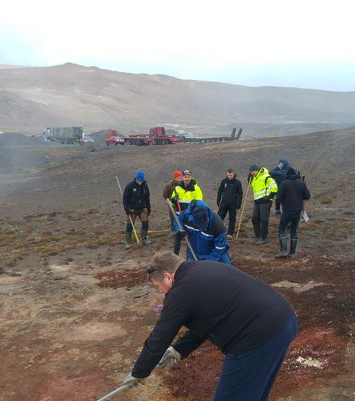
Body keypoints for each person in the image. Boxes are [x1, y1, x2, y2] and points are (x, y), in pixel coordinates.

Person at [124, 251, 297, 401]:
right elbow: (210, 320)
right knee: (253, 394)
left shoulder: (180, 292)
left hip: (257, 337)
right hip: (284, 321)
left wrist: (139, 373)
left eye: (158, 286)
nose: (161, 292)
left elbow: (159, 338)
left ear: (167, 276)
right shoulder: (202, 268)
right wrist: (179, 350)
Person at [174, 200, 231, 264]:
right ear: (193, 218)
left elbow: (219, 248)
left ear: (208, 218)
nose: (201, 228)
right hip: (193, 251)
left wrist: (209, 261)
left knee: (227, 269)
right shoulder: (185, 216)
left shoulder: (218, 225)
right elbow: (177, 222)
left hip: (213, 251)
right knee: (191, 270)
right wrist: (178, 230)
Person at [274, 168, 311, 258]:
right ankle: (292, 253)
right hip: (298, 211)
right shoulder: (301, 183)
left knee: (282, 230)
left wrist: (277, 209)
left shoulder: (284, 183)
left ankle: (283, 251)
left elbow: (278, 198)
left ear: (287, 174)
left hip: (287, 211)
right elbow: (307, 196)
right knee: (293, 231)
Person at [171, 169, 203, 255]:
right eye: (185, 177)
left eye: (188, 177)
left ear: (191, 177)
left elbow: (199, 202)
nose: (187, 179)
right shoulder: (177, 188)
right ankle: (175, 255)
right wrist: (173, 200)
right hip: (180, 217)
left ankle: (192, 255)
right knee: (178, 235)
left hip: (191, 216)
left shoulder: (196, 188)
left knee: (191, 237)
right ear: (182, 178)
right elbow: (172, 202)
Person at [248, 164, 277, 244]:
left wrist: (270, 196)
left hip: (265, 201)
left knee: (264, 219)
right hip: (257, 201)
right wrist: (249, 180)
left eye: (252, 172)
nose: (251, 173)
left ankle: (263, 237)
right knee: (254, 218)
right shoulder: (254, 178)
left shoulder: (266, 177)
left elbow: (274, 187)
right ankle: (257, 235)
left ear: (256, 170)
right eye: (250, 172)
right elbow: (252, 186)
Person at [123, 170, 151, 248]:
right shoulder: (130, 186)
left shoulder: (145, 185)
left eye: (141, 180)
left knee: (145, 223)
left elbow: (147, 198)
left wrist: (148, 208)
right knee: (130, 225)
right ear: (136, 179)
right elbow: (125, 199)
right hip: (132, 209)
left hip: (142, 208)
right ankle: (128, 241)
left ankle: (144, 238)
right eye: (138, 180)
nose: (140, 182)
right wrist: (126, 209)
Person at [216, 169, 243, 238]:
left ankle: (230, 233)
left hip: (233, 204)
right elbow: (220, 191)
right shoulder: (224, 181)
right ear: (226, 174)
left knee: (232, 219)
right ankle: (216, 231)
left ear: (233, 174)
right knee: (219, 218)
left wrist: (239, 203)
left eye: (231, 175)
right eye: (228, 175)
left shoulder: (237, 183)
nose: (229, 176)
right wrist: (218, 200)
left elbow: (240, 194)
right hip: (224, 203)